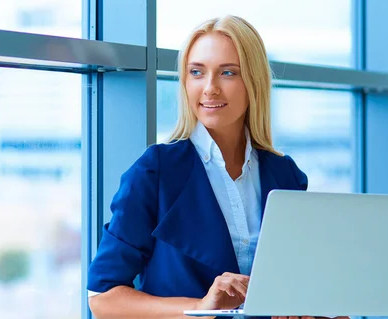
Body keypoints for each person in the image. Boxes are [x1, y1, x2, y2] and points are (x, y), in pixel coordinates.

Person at [87, 15, 350, 319]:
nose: (210, 88)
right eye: (197, 72)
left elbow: (299, 281)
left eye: (227, 73)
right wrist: (198, 309)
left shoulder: (285, 174)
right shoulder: (155, 171)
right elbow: (102, 298)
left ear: (253, 82)